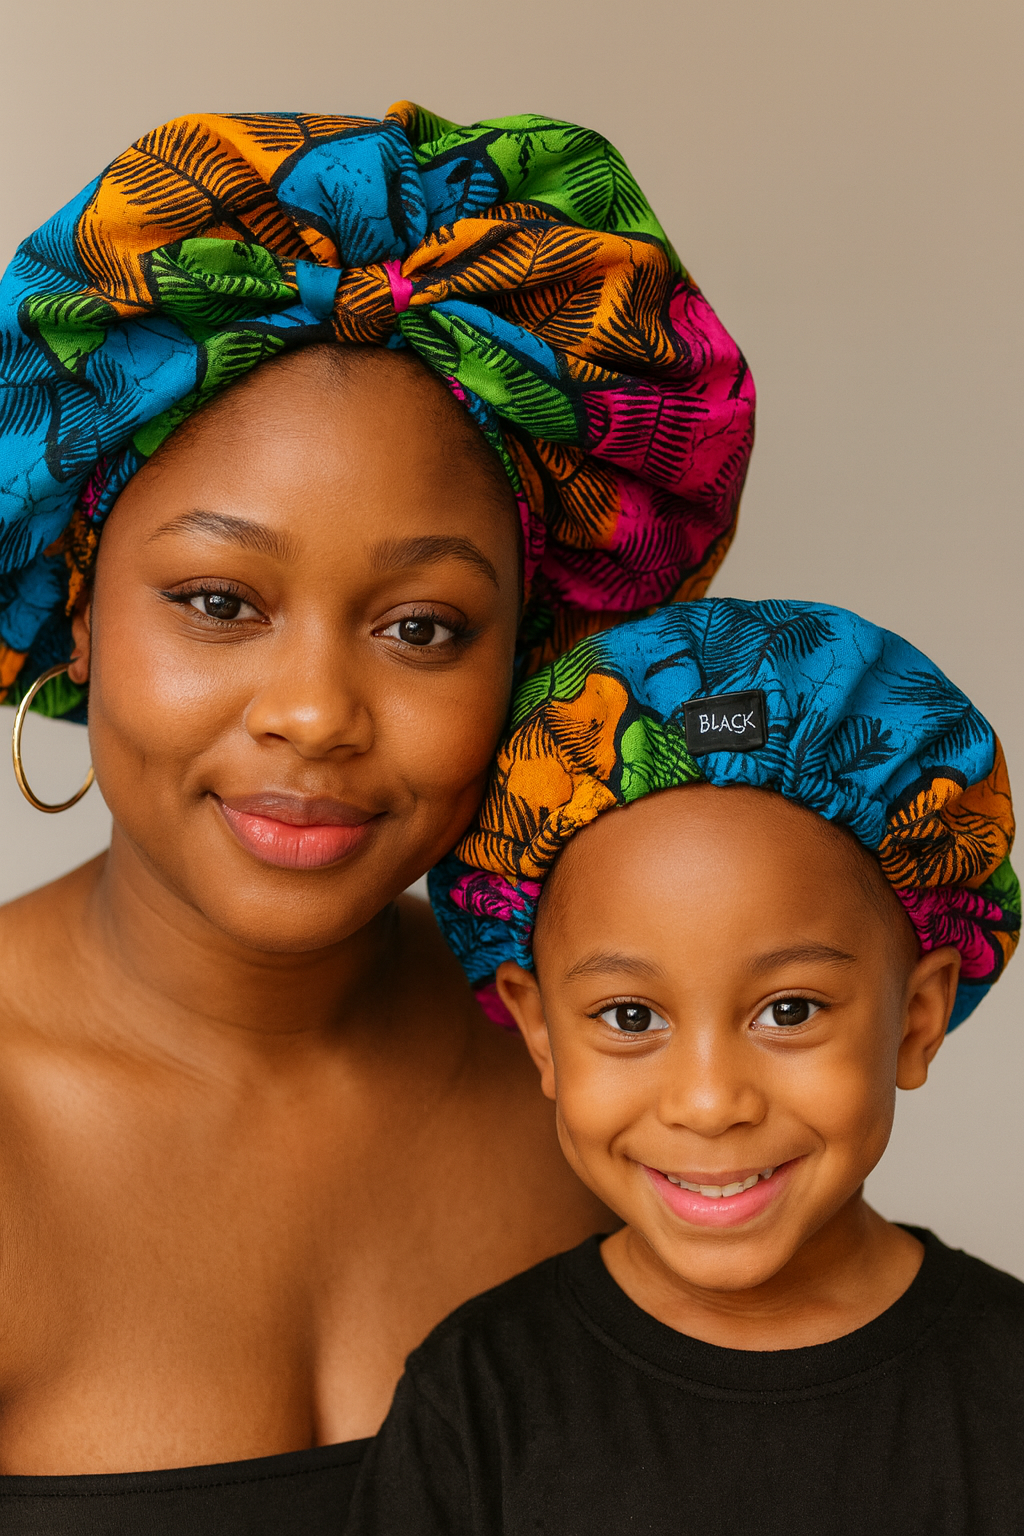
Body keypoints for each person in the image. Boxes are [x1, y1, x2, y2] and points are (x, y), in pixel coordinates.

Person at [0, 107, 754, 1531]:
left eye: (422, 626)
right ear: (75, 612)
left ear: (529, 660)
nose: (315, 713)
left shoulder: (603, 1081)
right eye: (220, 604)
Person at [345, 597, 1022, 1535]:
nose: (709, 1103)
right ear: (539, 1031)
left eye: (789, 1011)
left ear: (916, 1018)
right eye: (630, 1016)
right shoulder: (481, 1397)